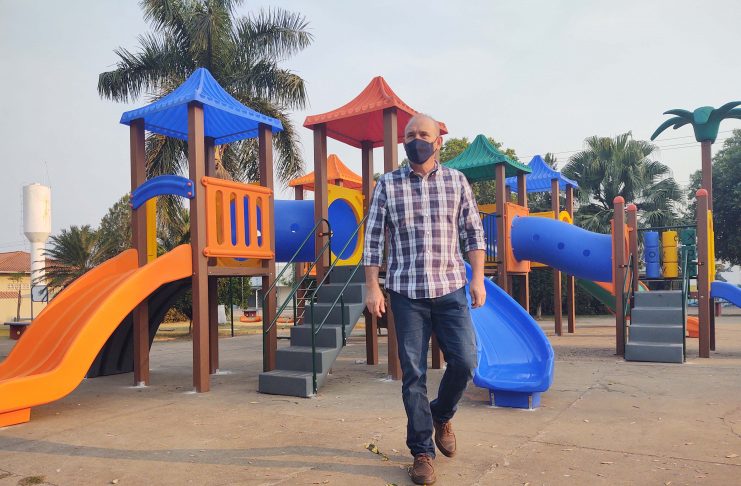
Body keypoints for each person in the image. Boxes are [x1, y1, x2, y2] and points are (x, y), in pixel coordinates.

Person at [363, 113, 486, 485]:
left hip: (451, 288)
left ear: (438, 141)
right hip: (406, 293)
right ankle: (422, 453)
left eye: (423, 134)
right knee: (413, 374)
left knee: (466, 361)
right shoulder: (388, 184)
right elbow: (373, 240)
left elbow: (473, 232)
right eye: (410, 135)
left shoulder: (456, 181)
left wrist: (477, 278)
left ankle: (441, 413)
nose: (416, 140)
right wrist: (373, 286)